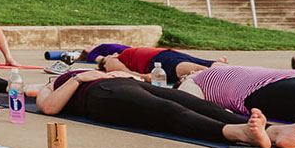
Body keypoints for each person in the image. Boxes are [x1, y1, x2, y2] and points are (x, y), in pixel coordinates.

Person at [33, 69, 295, 148]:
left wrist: (126, 74)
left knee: (198, 103)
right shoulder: (63, 80)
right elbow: (48, 107)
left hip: (129, 83)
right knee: (165, 111)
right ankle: (235, 134)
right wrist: (80, 78)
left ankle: (278, 132)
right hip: (101, 93)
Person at [85, 46, 224, 84]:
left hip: (164, 56)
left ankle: (227, 74)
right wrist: (144, 77)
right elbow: (121, 70)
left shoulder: (124, 53)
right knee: (201, 68)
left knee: (210, 66)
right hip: (159, 60)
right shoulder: (109, 60)